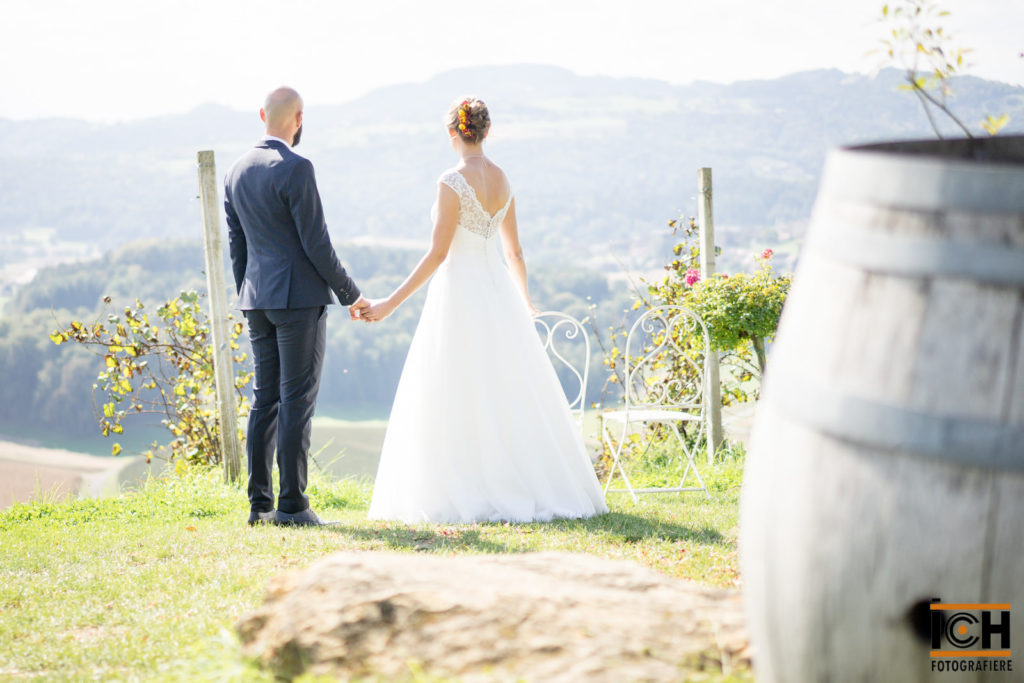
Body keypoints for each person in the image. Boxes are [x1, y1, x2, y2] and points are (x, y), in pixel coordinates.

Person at [361, 97, 608, 523]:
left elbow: (438, 254)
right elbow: (515, 251)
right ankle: (516, 480)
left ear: (452, 133)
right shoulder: (503, 179)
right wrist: (525, 300)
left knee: (455, 386)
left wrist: (389, 304)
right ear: (487, 131)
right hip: (498, 294)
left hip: (459, 292)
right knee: (505, 387)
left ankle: (467, 485)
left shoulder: (451, 180)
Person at [225, 86, 370, 527]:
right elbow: (316, 244)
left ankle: (259, 505)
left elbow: (237, 246)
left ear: (262, 115)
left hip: (257, 300)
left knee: (263, 400)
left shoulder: (235, 171)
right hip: (298, 302)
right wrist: (352, 294)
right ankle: (291, 506)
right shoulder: (297, 167)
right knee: (296, 401)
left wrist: (250, 294)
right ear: (299, 118)